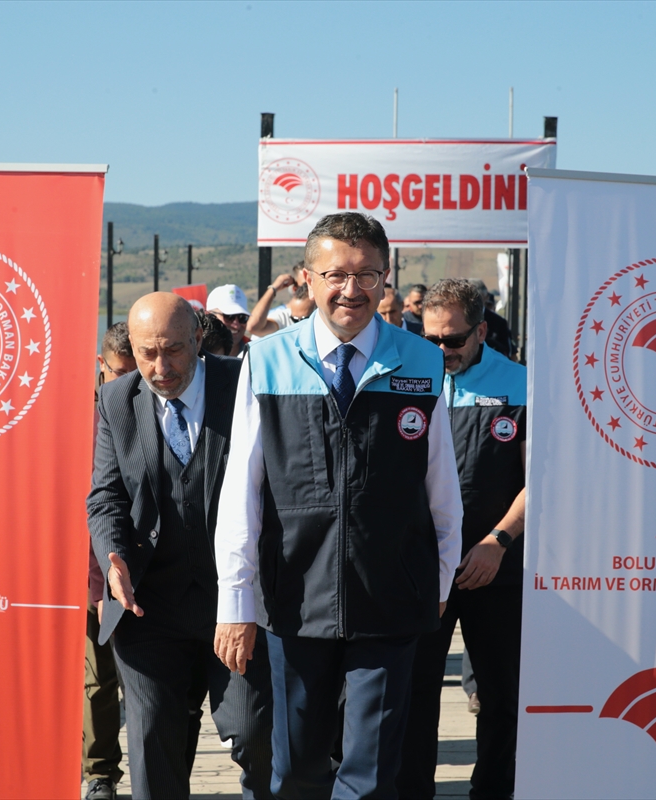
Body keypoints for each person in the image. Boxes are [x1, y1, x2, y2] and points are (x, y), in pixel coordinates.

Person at [213, 213, 462, 799]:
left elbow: (441, 486)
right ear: (308, 278)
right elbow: (241, 492)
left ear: (385, 277)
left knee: (372, 776)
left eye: (366, 275)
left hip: (391, 599)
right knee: (296, 770)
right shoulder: (266, 361)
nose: (352, 290)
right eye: (335, 275)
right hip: (295, 600)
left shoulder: (422, 362)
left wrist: (440, 575)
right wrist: (236, 600)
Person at [87, 294, 273, 799]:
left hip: (237, 601)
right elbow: (105, 496)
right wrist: (113, 559)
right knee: (153, 743)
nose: (160, 367)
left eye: (172, 350)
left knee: (256, 734)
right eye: (147, 353)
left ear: (199, 339)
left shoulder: (245, 386)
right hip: (148, 606)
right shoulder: (115, 401)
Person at [398, 278, 527, 800]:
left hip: (494, 567)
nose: (440, 351)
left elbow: (541, 479)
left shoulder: (521, 384)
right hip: (422, 568)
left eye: (452, 340)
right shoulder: (406, 377)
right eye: (429, 339)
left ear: (481, 331)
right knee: (413, 695)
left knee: (502, 697)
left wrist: (498, 541)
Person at [83, 323, 136, 800]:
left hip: (138, 566)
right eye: (120, 373)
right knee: (98, 680)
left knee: (138, 681)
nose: (129, 383)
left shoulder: (147, 405)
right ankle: (100, 773)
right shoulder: (80, 417)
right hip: (87, 568)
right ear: (101, 366)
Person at [247, 263, 316, 339]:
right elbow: (253, 327)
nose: (311, 288)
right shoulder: (282, 317)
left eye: (314, 282)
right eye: (305, 286)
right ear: (294, 289)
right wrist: (273, 288)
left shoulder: (319, 314)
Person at [468, 279, 514, 358]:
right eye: (468, 298)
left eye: (477, 298)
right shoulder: (456, 319)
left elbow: (508, 351)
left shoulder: (498, 322)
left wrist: (490, 343)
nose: (473, 302)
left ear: (486, 297)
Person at [207, 284, 252, 357]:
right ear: (209, 315)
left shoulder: (256, 353)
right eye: (229, 316)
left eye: (242, 317)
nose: (236, 325)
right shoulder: (194, 352)